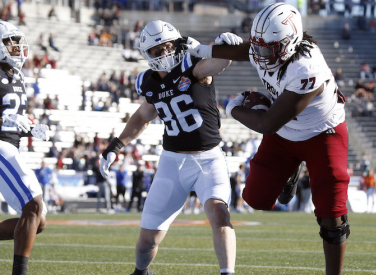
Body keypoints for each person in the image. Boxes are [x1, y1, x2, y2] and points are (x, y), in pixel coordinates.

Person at [185, 4, 350, 273]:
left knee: (331, 217)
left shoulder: (307, 69)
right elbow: (245, 50)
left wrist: (233, 109)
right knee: (256, 199)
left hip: (323, 133)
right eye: (258, 46)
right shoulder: (271, 46)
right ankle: (292, 169)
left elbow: (267, 123)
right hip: (286, 131)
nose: (259, 55)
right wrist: (201, 49)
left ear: (289, 43)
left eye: (267, 49)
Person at [99, 20, 238, 275]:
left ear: (177, 44)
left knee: (220, 215)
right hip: (172, 164)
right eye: (156, 50)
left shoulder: (193, 66)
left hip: (209, 161)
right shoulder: (147, 82)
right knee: (147, 242)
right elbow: (144, 115)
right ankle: (141, 273)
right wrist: (116, 145)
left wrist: (221, 47)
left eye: (168, 46)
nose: (164, 53)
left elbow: (219, 63)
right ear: (147, 54)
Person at [0, 20, 50, 275]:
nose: (17, 48)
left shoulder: (16, 75)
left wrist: (30, 127)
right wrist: (4, 120)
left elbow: (13, 116)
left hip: (11, 146)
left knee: (37, 221)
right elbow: (6, 117)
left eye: (18, 43)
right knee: (33, 205)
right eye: (11, 43)